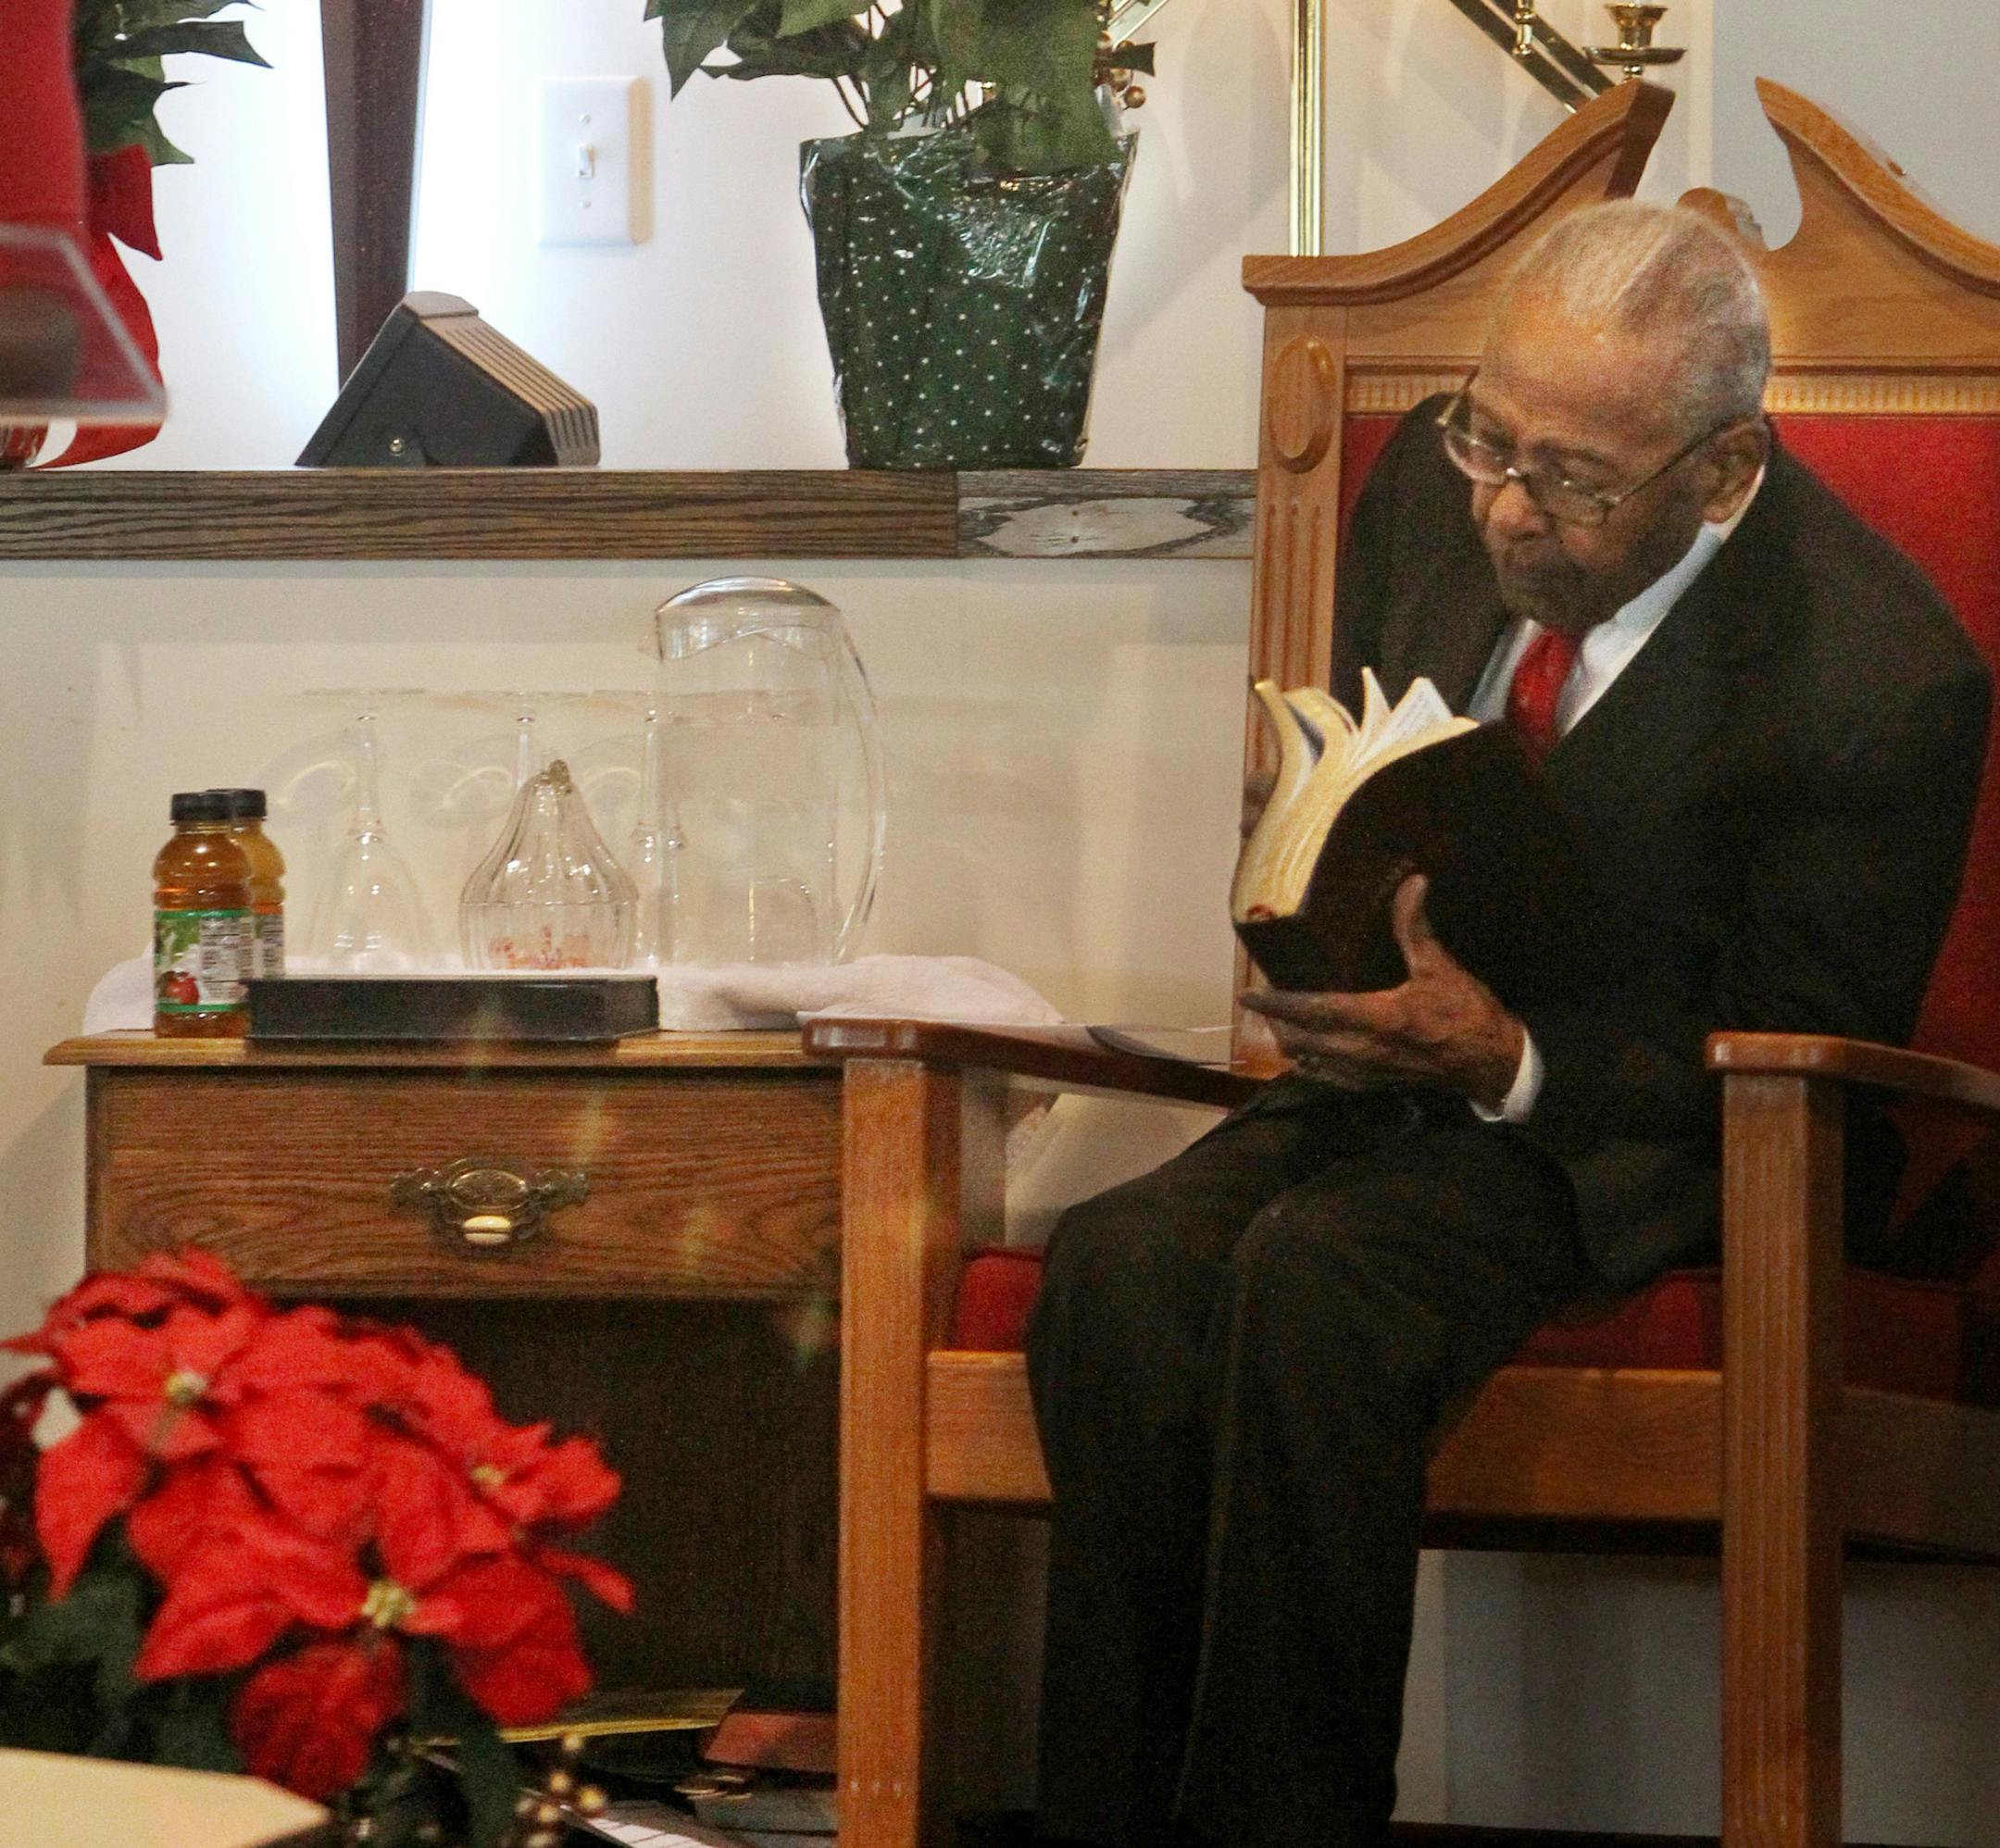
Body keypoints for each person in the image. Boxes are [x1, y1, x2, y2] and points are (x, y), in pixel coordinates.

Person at [1023, 200, 1993, 1848]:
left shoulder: (1881, 667)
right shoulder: (1433, 483)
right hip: (1389, 1089)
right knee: (1117, 1269)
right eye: (1493, 438)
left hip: (1663, 1139)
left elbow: (1811, 1032)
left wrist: (1509, 1060)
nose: (1509, 511)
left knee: (1313, 1285)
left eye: (1577, 481)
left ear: (1726, 470)